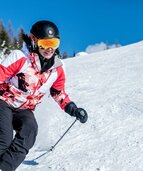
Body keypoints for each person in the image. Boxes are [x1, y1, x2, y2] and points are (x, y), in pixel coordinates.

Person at [0, 20, 88, 171]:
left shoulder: (57, 68)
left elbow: (58, 92)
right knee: (4, 139)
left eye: (53, 43)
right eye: (45, 43)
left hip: (24, 109)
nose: (49, 49)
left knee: (30, 130)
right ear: (34, 41)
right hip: (4, 101)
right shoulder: (20, 57)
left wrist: (73, 108)